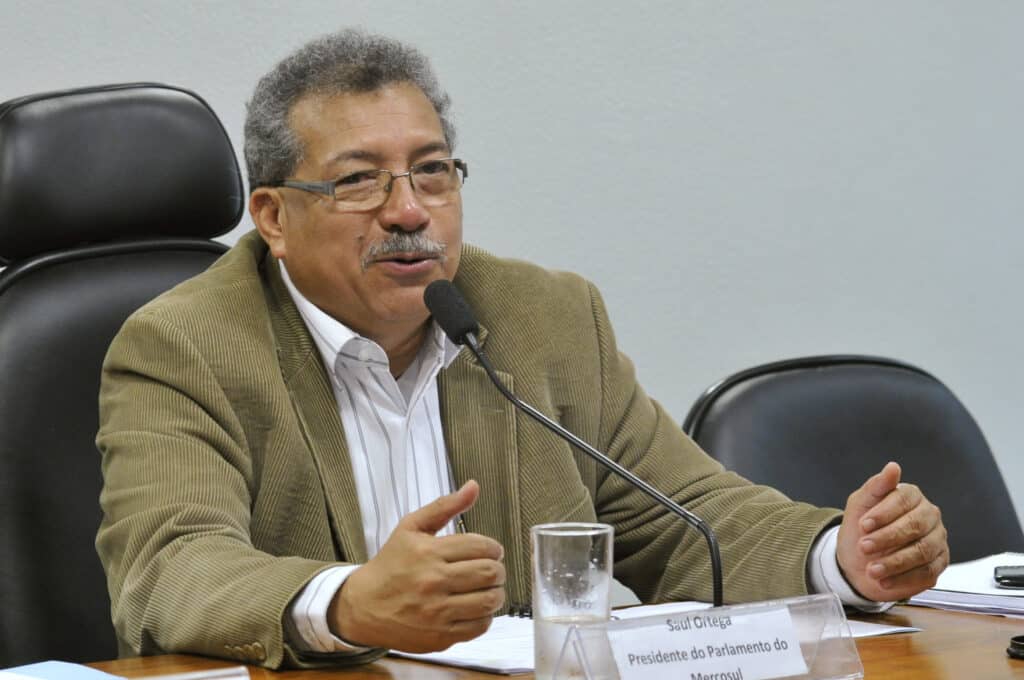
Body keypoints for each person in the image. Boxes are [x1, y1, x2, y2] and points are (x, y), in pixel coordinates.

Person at [95, 29, 948, 669]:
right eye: (359, 180)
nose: (409, 211)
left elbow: (683, 515)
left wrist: (843, 557)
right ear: (274, 217)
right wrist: (352, 603)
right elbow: (169, 567)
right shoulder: (184, 345)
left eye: (432, 171)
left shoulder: (545, 317)